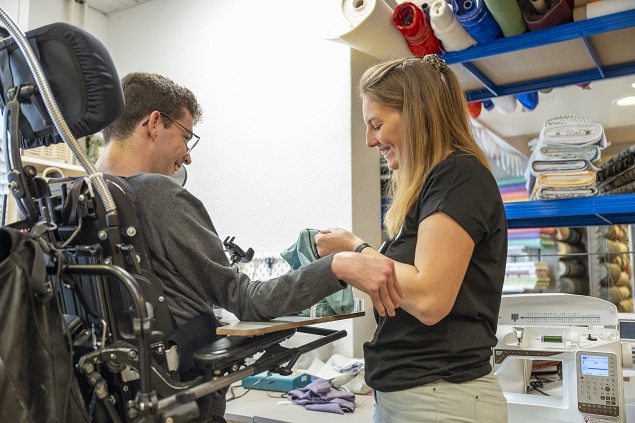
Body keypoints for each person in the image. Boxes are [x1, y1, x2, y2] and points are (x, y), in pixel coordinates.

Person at [96, 72, 403, 422]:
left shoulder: (77, 200)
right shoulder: (156, 194)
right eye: (186, 137)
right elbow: (247, 300)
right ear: (154, 124)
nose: (188, 157)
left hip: (113, 400)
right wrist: (337, 267)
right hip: (179, 399)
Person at [315, 55, 508, 423]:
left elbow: (430, 298)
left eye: (376, 124)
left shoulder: (457, 177)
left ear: (417, 115)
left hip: (440, 399)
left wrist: (355, 251)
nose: (370, 140)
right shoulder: (436, 187)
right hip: (420, 397)